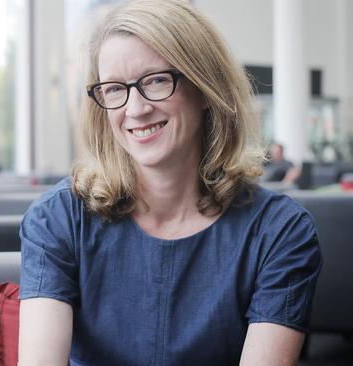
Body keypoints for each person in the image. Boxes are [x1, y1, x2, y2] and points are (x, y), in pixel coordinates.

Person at [17, 1, 322, 365]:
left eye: (156, 80)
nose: (135, 108)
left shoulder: (279, 231)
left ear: (206, 89)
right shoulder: (59, 219)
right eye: (115, 89)